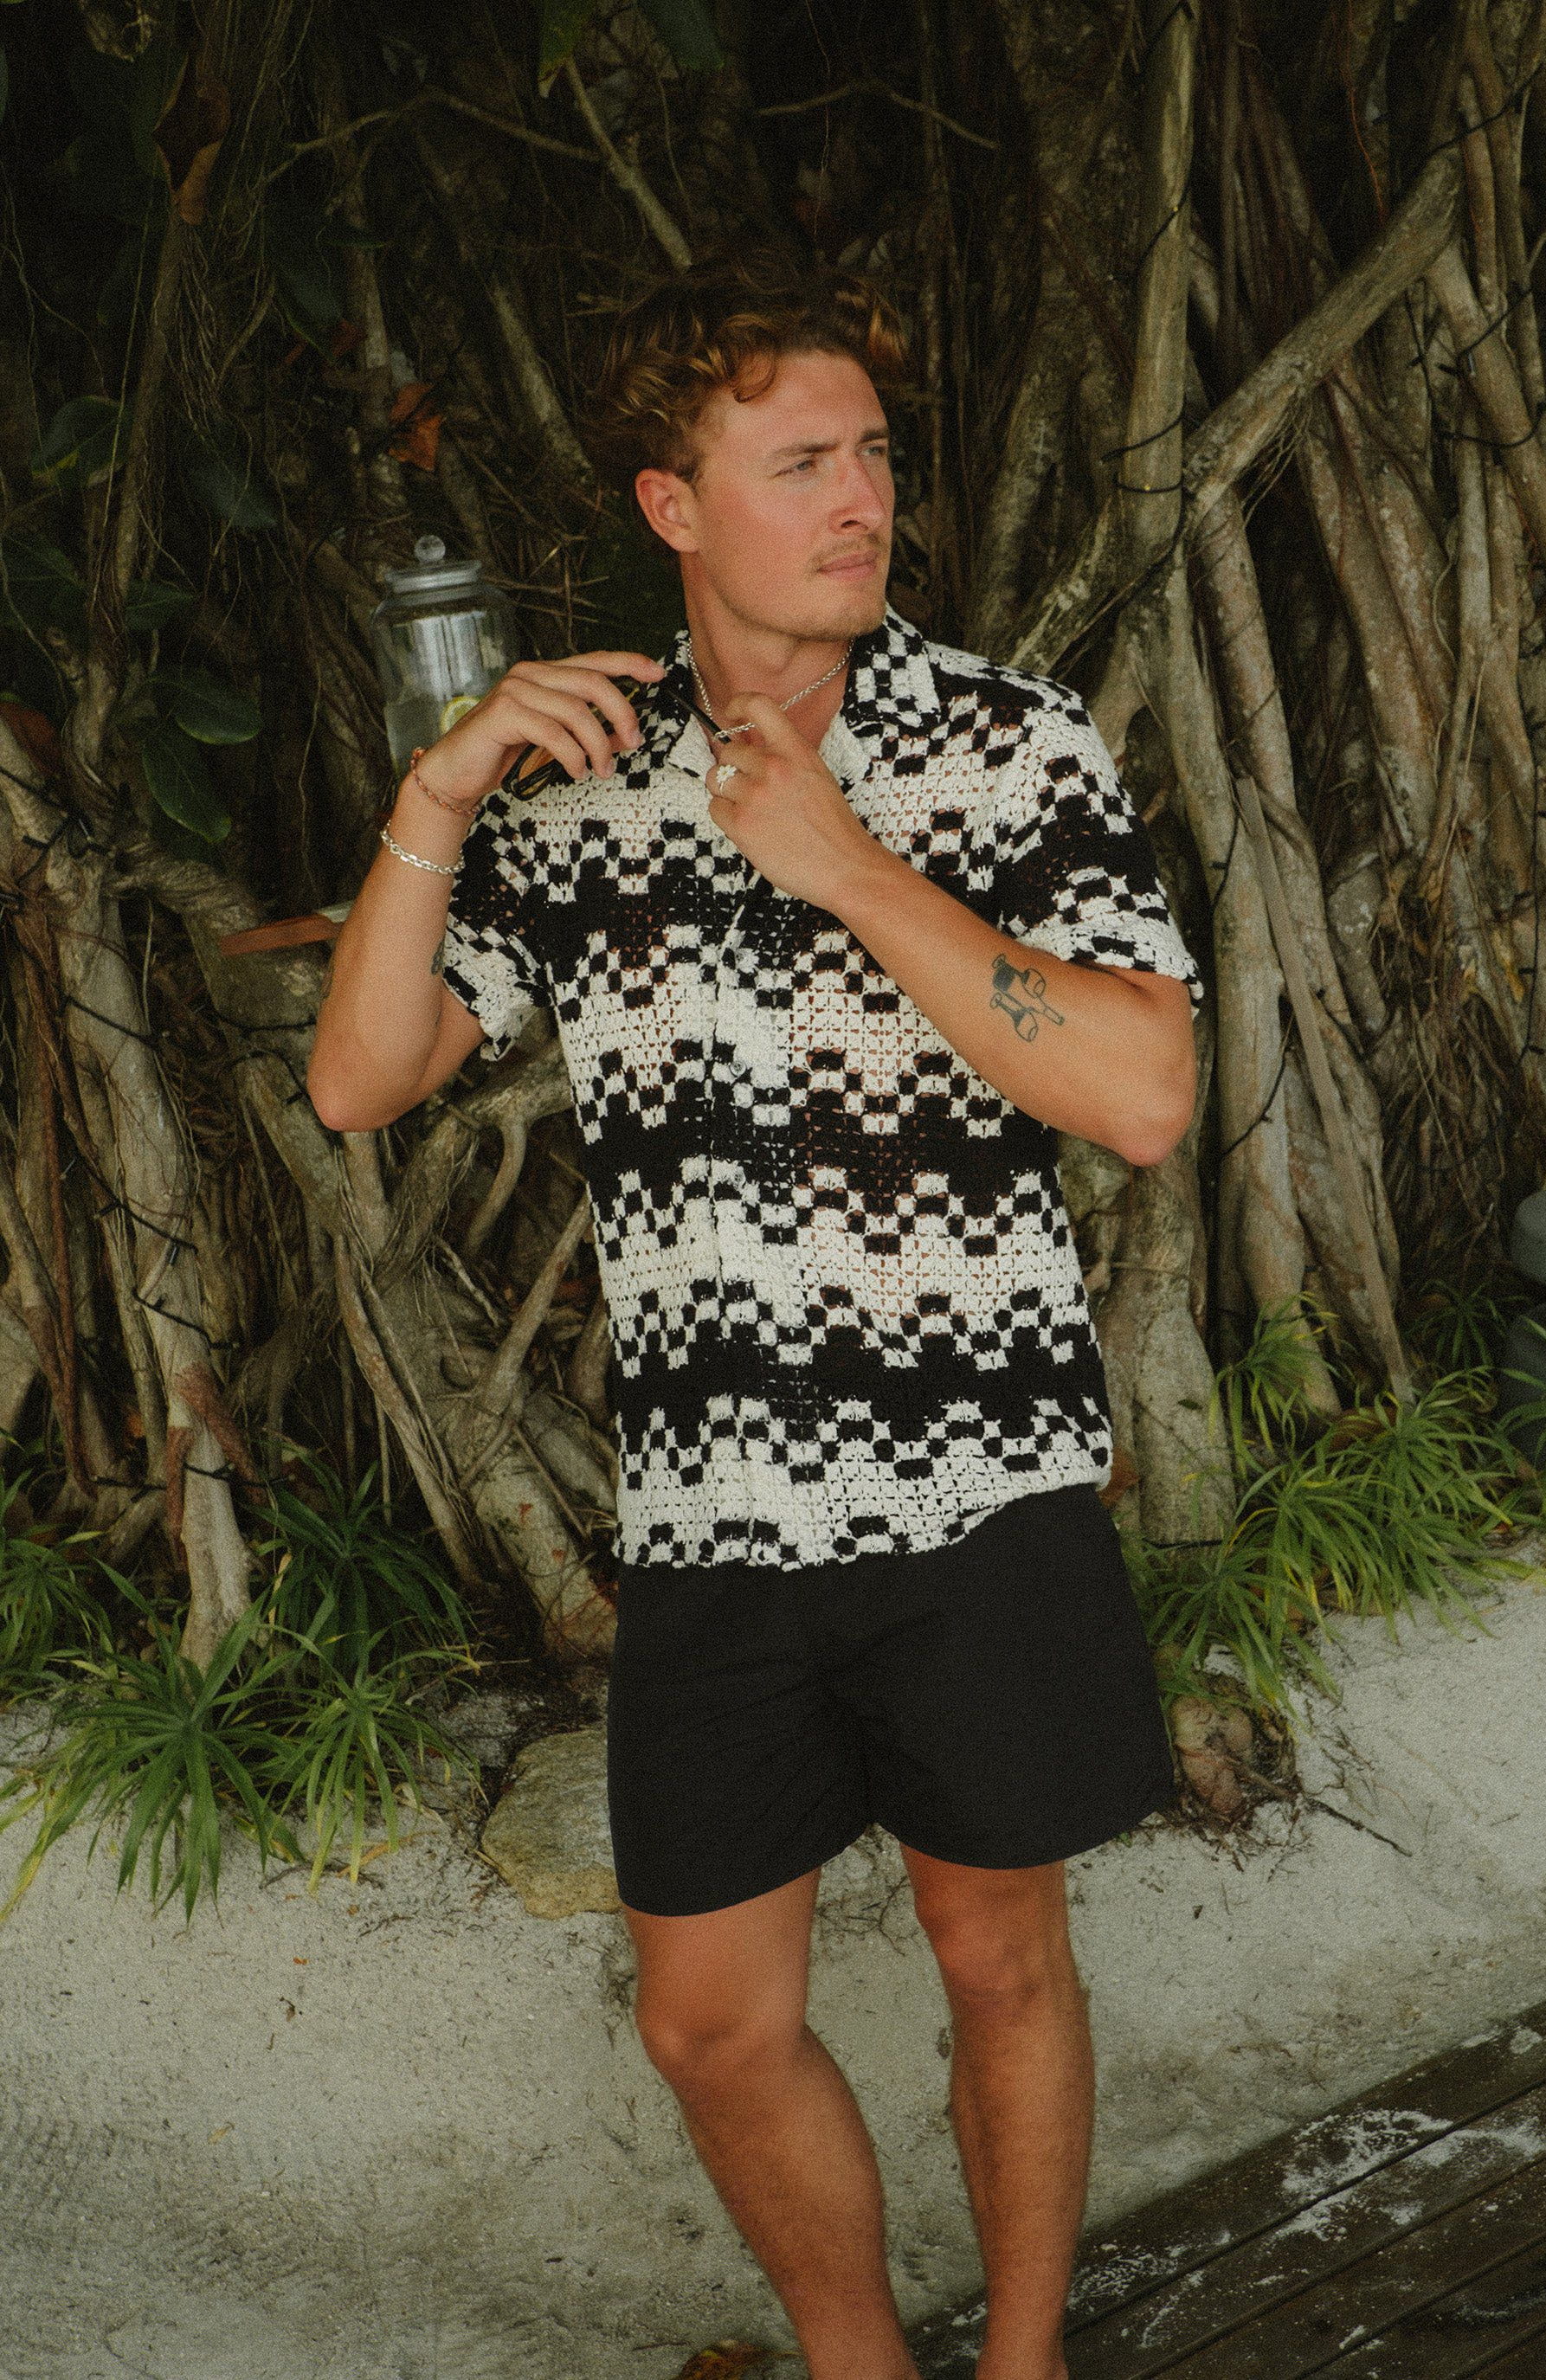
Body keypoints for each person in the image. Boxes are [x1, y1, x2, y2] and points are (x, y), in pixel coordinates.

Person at [307, 256, 1201, 2380]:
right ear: (671, 506)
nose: (859, 498)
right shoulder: (576, 789)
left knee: (998, 1955)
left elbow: (1143, 1095)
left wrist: (850, 866)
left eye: (870, 454)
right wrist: (433, 803)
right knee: (708, 2021)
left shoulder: (1003, 741)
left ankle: (1024, 2364)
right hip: (714, 1510)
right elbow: (358, 1077)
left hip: (979, 1479)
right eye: (799, 463)